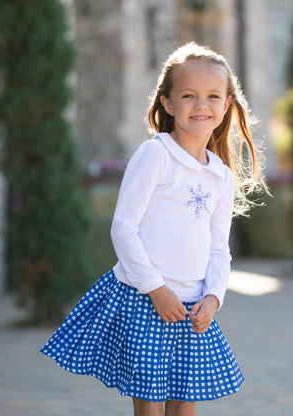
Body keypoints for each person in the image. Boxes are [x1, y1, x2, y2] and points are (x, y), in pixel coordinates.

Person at [41, 42, 266, 416]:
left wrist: (212, 298)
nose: (201, 105)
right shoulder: (155, 155)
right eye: (189, 95)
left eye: (213, 96)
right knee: (150, 410)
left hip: (193, 309)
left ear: (226, 105)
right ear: (167, 103)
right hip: (146, 302)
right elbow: (123, 229)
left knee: (185, 409)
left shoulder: (220, 176)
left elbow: (218, 250)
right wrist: (157, 291)